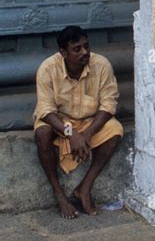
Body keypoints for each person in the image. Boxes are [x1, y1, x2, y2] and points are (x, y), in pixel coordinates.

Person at [33, 26, 123, 218]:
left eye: (86, 46)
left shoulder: (101, 65)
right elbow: (46, 110)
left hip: (89, 122)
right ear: (63, 53)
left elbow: (108, 104)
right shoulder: (47, 69)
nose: (85, 52)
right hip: (60, 122)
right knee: (42, 133)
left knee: (115, 129)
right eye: (77, 49)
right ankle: (59, 194)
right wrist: (71, 133)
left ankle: (84, 188)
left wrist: (86, 135)